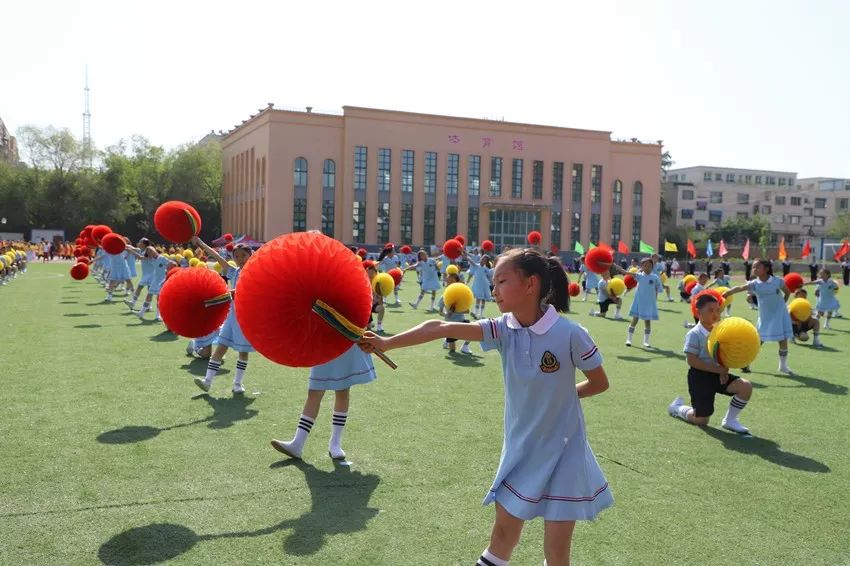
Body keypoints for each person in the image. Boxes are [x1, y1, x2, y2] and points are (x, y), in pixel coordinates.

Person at [359, 248, 612, 566]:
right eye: (493, 283)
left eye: (502, 281)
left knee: (557, 554)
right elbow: (441, 327)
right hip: (521, 451)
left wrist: (560, 395)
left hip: (565, 453)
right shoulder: (503, 328)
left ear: (531, 284)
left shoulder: (571, 334)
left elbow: (600, 383)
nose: (494, 290)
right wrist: (385, 342)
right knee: (502, 538)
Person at [272, 262, 378, 461]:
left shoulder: (349, 286)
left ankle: (335, 442)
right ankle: (298, 442)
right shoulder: (312, 287)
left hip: (345, 343)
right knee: (315, 391)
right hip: (322, 344)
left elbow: (364, 318)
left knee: (343, 390)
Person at [667, 293, 753, 434]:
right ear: (699, 312)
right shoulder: (694, 334)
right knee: (701, 420)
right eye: (710, 310)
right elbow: (692, 360)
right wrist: (718, 371)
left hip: (718, 374)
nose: (715, 314)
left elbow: (725, 354)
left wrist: (724, 369)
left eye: (718, 310)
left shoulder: (722, 331)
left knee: (745, 387)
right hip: (699, 378)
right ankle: (677, 408)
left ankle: (730, 420)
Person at [192, 237, 255, 395]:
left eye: (243, 255)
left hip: (245, 318)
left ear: (250, 256)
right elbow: (217, 256)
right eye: (237, 256)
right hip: (231, 318)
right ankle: (207, 382)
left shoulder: (255, 274)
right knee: (220, 348)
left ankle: (238, 383)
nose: (240, 259)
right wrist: (200, 242)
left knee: (243, 352)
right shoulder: (233, 272)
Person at [723, 258, 794, 375]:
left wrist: (782, 305)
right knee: (757, 341)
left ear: (766, 269)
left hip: (779, 315)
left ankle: (783, 366)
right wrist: (728, 293)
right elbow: (740, 288)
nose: (754, 269)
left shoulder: (777, 281)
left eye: (757, 267)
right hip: (765, 317)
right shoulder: (754, 284)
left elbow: (787, 292)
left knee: (782, 340)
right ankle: (746, 363)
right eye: (753, 267)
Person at [625, 257, 662, 347]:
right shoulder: (639, 276)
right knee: (634, 320)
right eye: (645, 266)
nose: (647, 268)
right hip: (638, 302)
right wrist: (619, 268)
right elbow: (628, 273)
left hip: (649, 303)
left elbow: (658, 288)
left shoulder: (655, 277)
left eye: (649, 266)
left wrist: (655, 298)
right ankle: (629, 339)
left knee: (647, 321)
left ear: (652, 267)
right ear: (641, 267)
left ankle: (646, 341)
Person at [438, 272, 473, 354]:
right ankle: (447, 340)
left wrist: (456, 310)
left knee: (473, 329)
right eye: (448, 281)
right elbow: (440, 312)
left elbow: (467, 311)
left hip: (461, 321)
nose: (450, 283)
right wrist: (447, 314)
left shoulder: (462, 295)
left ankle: (465, 346)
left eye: (452, 281)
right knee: (452, 350)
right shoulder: (444, 296)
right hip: (450, 324)